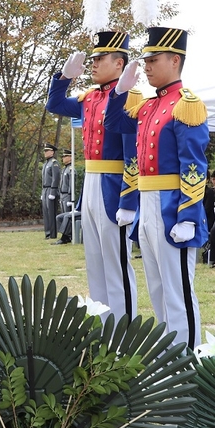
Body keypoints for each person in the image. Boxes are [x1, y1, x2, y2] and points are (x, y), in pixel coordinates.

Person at [105, 26, 209, 348]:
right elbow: (113, 124)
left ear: (175, 61)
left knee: (177, 290)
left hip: (171, 205)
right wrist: (120, 91)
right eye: (145, 60)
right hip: (147, 203)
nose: (146, 66)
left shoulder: (186, 104)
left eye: (154, 59)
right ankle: (168, 355)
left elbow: (194, 164)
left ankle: (188, 357)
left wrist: (188, 215)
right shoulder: (147, 106)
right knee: (157, 289)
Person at [46, 30, 139, 319]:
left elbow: (131, 156)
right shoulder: (90, 97)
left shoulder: (130, 98)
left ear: (119, 64)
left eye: (101, 59)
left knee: (117, 264)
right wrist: (63, 78)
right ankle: (103, 325)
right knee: (95, 261)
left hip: (114, 185)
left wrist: (129, 200)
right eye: (93, 59)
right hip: (91, 183)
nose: (93, 64)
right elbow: (55, 104)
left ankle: (124, 331)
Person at [40, 143, 61, 239]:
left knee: (51, 212)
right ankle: (47, 232)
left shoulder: (54, 163)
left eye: (47, 151)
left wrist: (53, 192)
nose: (45, 152)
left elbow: (55, 178)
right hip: (45, 189)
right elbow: (44, 179)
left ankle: (52, 234)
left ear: (52, 152)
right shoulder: (46, 164)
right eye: (44, 151)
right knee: (45, 212)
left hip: (51, 189)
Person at [54, 149, 75, 244]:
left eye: (65, 156)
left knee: (68, 216)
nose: (63, 158)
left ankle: (68, 235)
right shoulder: (65, 169)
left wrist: (71, 197)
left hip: (67, 194)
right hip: (63, 194)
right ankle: (65, 235)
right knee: (63, 215)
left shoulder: (71, 169)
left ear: (70, 157)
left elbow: (72, 184)